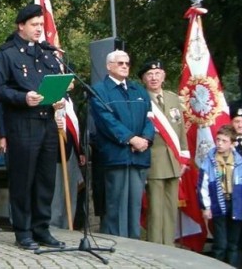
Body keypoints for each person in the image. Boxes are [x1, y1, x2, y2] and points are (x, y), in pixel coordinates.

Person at [0, 4, 65, 250]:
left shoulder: (47, 52)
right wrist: (23, 98)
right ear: (21, 25)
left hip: (47, 122)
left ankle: (41, 228)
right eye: (34, 25)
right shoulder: (7, 53)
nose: (39, 30)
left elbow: (53, 80)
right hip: (22, 123)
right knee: (23, 178)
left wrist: (60, 93)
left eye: (41, 25)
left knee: (46, 178)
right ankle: (23, 230)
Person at [89, 50, 155, 239]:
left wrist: (146, 139)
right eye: (120, 63)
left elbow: (150, 120)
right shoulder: (100, 90)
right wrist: (130, 138)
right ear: (109, 66)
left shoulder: (139, 90)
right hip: (115, 156)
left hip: (139, 156)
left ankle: (134, 243)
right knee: (116, 204)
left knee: (135, 203)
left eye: (127, 63)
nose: (125, 66)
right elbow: (106, 121)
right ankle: (118, 244)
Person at [138, 59, 189, 245]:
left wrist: (184, 156)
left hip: (174, 160)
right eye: (149, 74)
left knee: (170, 207)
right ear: (143, 79)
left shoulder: (173, 98)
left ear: (164, 76)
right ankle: (156, 246)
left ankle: (169, 244)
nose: (154, 77)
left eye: (157, 73)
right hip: (154, 160)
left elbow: (180, 128)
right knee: (155, 208)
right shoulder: (141, 98)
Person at [198, 125, 242, 266]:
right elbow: (203, 186)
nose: (220, 143)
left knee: (233, 243)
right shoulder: (209, 161)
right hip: (219, 203)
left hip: (236, 204)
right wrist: (206, 207)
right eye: (218, 140)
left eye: (224, 141)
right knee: (220, 243)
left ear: (232, 143)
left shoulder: (239, 161)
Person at [50, 81, 85, 230]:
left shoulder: (71, 100)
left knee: (70, 192)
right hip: (56, 150)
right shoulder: (53, 98)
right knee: (56, 193)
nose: (72, 81)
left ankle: (67, 224)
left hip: (72, 151)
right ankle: (54, 225)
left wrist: (80, 150)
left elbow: (75, 128)